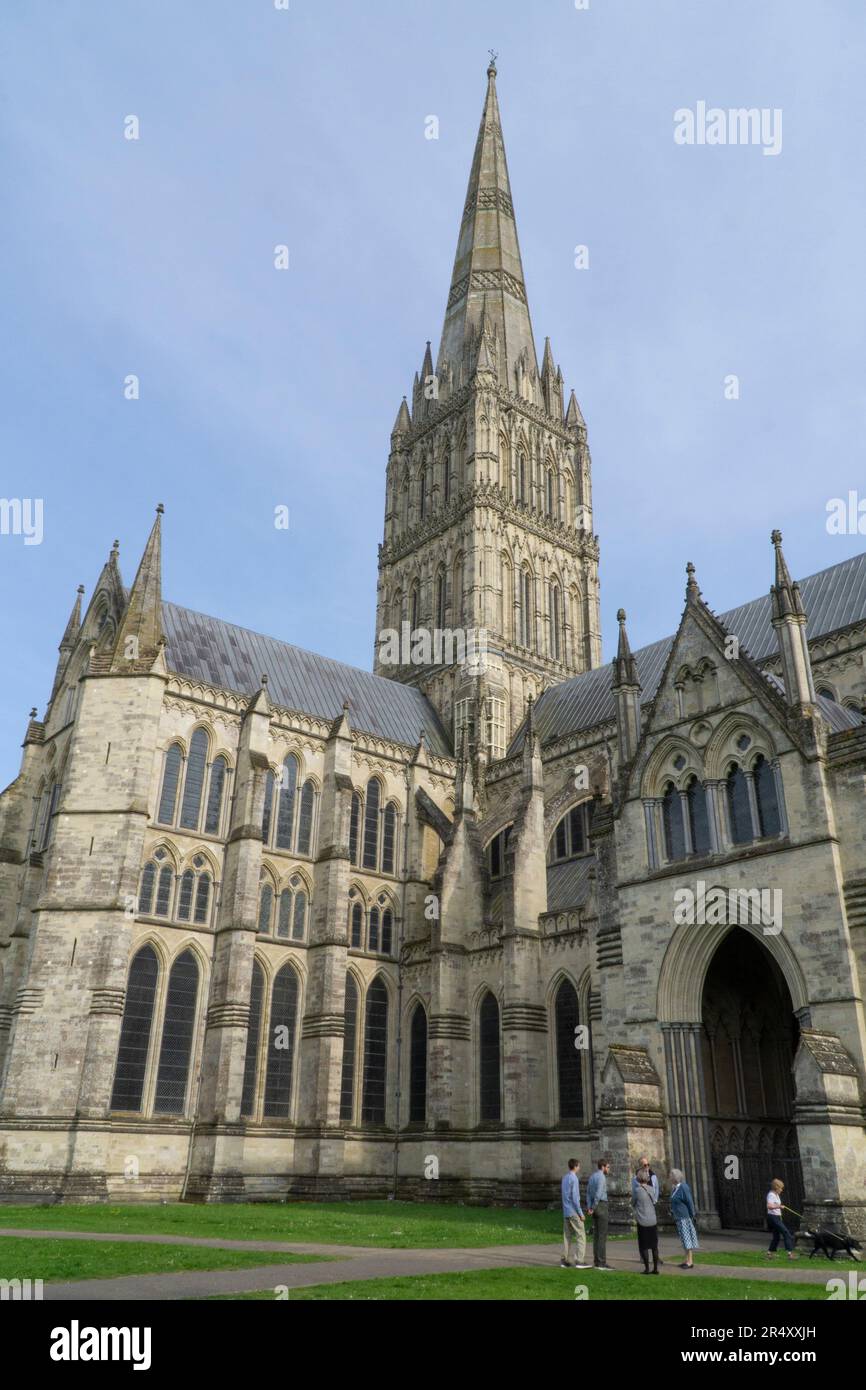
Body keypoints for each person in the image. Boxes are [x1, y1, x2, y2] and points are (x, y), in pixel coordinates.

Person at [631, 1156, 662, 1265]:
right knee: (643, 1237)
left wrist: (655, 1200)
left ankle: (656, 1258)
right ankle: (643, 1257)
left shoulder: (653, 1176)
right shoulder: (635, 1179)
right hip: (641, 1209)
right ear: (640, 1166)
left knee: (653, 1235)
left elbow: (656, 1188)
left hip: (651, 1206)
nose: (647, 1167)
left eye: (648, 1164)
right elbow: (634, 1194)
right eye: (645, 1165)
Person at [560, 1158, 589, 1269]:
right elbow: (575, 1198)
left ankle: (564, 1259)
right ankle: (579, 1260)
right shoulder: (574, 1179)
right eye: (579, 1166)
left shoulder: (564, 1178)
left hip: (566, 1211)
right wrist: (581, 1214)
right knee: (581, 1235)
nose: (579, 1168)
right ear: (576, 1166)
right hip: (573, 1211)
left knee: (567, 1236)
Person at [585, 1158, 613, 1270]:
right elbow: (598, 1194)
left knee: (596, 1235)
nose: (609, 1169)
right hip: (600, 1205)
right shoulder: (601, 1177)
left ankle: (597, 1260)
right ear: (603, 1167)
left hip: (594, 1206)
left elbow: (587, 1193)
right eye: (608, 1167)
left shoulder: (592, 1176)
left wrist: (589, 1207)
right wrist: (593, 1207)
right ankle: (601, 1262)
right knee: (602, 1235)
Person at [669, 1168, 699, 1268]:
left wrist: (692, 1215)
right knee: (683, 1239)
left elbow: (689, 1202)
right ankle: (686, 1260)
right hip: (678, 1217)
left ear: (674, 1177)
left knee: (687, 1239)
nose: (669, 1177)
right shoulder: (675, 1188)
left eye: (670, 1175)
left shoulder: (683, 1187)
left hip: (684, 1217)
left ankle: (690, 1261)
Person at [766, 1178, 796, 1259]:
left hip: (777, 1217)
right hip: (773, 1218)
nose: (782, 1190)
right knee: (786, 1233)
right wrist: (779, 1206)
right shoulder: (771, 1195)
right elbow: (769, 1206)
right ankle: (790, 1254)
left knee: (776, 1237)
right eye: (781, 1188)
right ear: (776, 1187)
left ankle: (769, 1254)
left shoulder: (776, 1195)